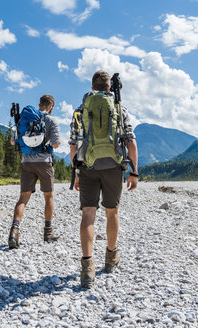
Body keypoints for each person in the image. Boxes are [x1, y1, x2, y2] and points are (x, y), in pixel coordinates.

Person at [69, 70, 138, 289]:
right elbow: (131, 142)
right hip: (113, 168)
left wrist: (77, 172)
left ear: (92, 87)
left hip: (88, 166)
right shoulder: (119, 107)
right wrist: (134, 172)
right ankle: (110, 258)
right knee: (112, 212)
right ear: (110, 87)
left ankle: (87, 268)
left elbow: (73, 144)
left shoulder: (81, 109)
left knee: (88, 214)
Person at [8, 95, 60, 249]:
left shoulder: (23, 119)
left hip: (26, 162)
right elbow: (56, 144)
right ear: (50, 106)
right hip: (44, 163)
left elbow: (13, 141)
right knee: (48, 196)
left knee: (23, 198)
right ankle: (48, 232)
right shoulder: (52, 120)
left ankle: (14, 232)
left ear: (39, 105)